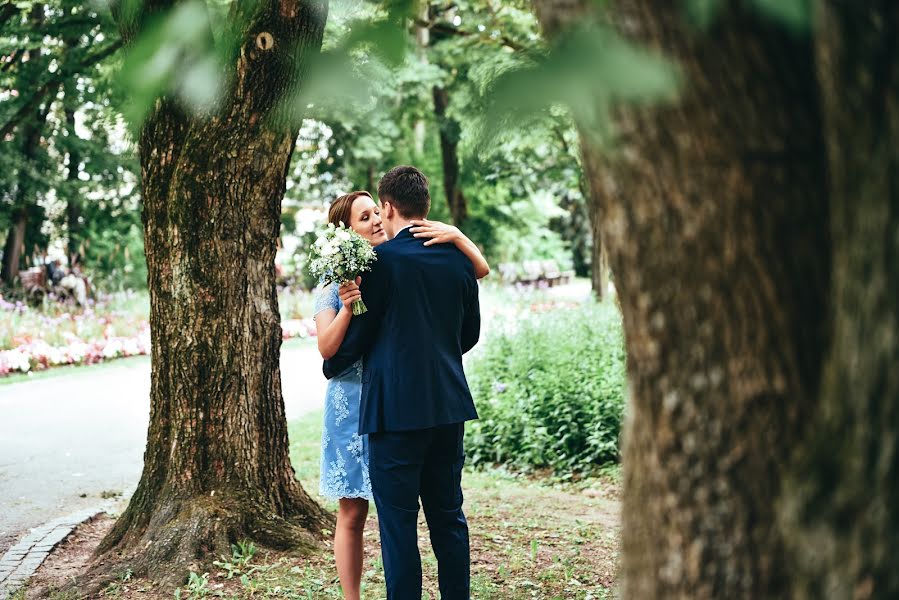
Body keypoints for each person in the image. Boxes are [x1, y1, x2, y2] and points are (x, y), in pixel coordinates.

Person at [313, 188, 488, 600]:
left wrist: (335, 365)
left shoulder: (382, 265)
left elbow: (354, 343)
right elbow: (469, 331)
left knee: (397, 525)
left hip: (389, 407)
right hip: (439, 402)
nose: (375, 219)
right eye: (364, 216)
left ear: (389, 208)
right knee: (444, 517)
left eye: (376, 211)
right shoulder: (443, 258)